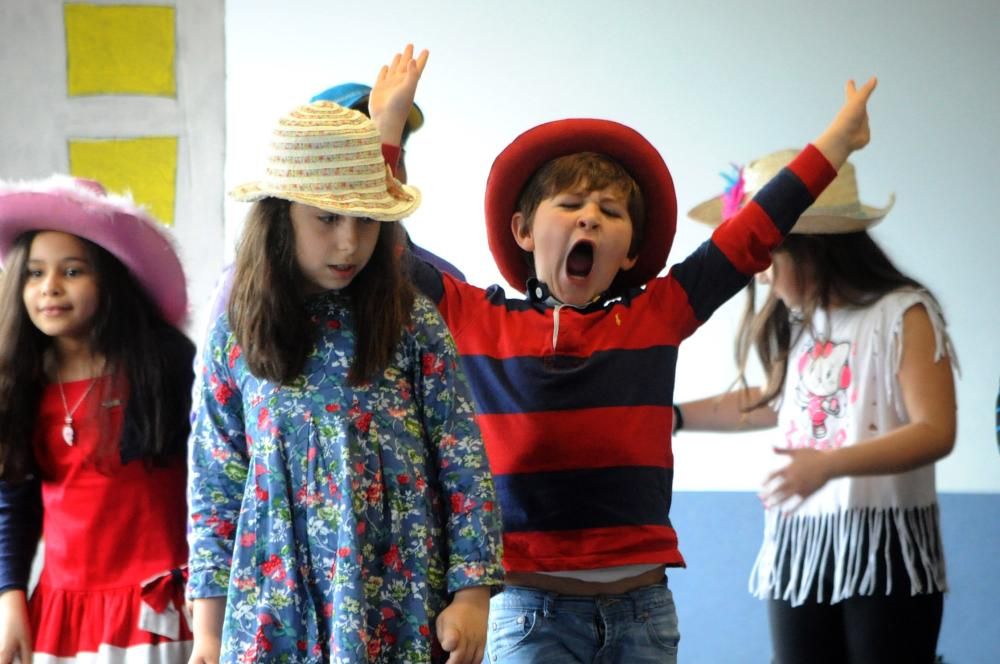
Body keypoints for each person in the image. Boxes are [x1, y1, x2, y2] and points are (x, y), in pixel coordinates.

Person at [372, 45, 879, 663]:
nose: (590, 217)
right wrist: (386, 132)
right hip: (530, 612)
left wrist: (835, 142)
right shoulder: (476, 317)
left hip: (643, 611)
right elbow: (385, 251)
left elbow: (750, 235)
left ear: (632, 251)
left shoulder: (655, 314)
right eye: (570, 206)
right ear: (524, 232)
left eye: (610, 212)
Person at [185, 95, 503, 662]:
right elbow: (215, 485)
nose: (349, 243)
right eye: (327, 219)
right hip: (272, 609)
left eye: (366, 221)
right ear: (281, 215)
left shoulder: (409, 321)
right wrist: (208, 633)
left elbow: (462, 461)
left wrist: (472, 596)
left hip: (396, 603)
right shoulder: (236, 334)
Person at [678, 150, 956, 663]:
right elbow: (773, 402)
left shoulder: (904, 313)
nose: (759, 275)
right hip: (801, 547)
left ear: (811, 249)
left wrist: (828, 466)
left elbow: (935, 430)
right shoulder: (804, 323)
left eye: (767, 257)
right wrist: (673, 416)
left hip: (886, 549)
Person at [0, 176, 196, 662]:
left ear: (110, 278)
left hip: (161, 609)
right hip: (64, 618)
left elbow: (211, 484)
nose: (50, 288)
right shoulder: (19, 384)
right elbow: (12, 503)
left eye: (72, 271)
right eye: (34, 273)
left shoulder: (165, 365)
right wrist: (11, 601)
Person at [203, 80, 463, 329]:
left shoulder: (439, 286)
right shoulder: (241, 289)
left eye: (391, 160)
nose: (349, 241)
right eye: (328, 217)